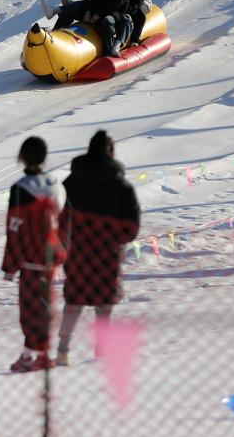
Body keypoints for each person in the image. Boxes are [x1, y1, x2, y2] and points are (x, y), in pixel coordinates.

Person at [55, 130, 140, 367]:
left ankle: (63, 349)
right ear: (111, 152)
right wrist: (118, 239)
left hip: (78, 251)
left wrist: (65, 242)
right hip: (107, 252)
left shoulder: (72, 183)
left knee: (74, 300)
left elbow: (62, 218)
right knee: (104, 302)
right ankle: (101, 349)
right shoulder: (121, 186)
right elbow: (132, 224)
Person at [2, 136, 68, 373]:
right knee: (47, 307)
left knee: (29, 310)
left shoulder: (20, 189)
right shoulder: (57, 186)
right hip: (51, 256)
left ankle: (32, 356)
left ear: (22, 157)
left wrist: (10, 265)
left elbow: (14, 226)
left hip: (29, 258)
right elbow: (64, 222)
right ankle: (39, 353)